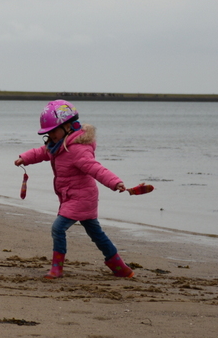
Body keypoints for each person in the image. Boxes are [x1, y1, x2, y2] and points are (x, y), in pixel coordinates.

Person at [14, 100, 133, 278]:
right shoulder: (57, 145)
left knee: (58, 228)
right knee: (97, 234)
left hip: (81, 198)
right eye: (48, 133)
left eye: (53, 131)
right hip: (71, 197)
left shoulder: (77, 149)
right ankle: (120, 267)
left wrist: (115, 182)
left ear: (68, 126)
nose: (51, 136)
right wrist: (25, 158)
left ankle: (57, 268)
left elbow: (96, 168)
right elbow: (42, 152)